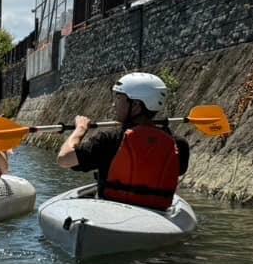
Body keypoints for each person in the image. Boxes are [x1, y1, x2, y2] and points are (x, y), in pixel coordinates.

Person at [56, 72, 188, 210]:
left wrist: (80, 129)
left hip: (112, 213)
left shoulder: (110, 140)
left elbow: (64, 159)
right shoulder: (178, 144)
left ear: (136, 105)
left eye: (119, 99)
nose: (114, 104)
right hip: (157, 216)